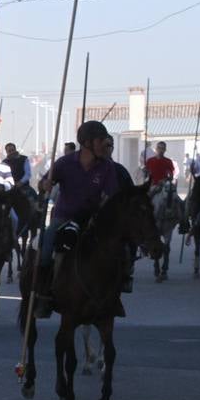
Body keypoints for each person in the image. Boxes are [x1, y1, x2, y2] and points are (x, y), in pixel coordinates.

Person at [34, 120, 120, 316]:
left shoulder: (107, 167)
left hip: (92, 220)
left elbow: (111, 196)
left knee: (117, 249)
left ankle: (115, 293)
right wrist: (45, 185)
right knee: (46, 247)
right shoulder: (65, 163)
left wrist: (103, 212)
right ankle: (43, 295)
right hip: (63, 218)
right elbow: (43, 184)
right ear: (87, 143)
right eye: (101, 140)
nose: (104, 145)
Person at [100, 134, 138, 293]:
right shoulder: (86, 168)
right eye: (104, 145)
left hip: (115, 219)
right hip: (88, 215)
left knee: (131, 242)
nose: (107, 149)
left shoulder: (120, 171)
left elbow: (132, 195)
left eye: (110, 146)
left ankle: (125, 274)